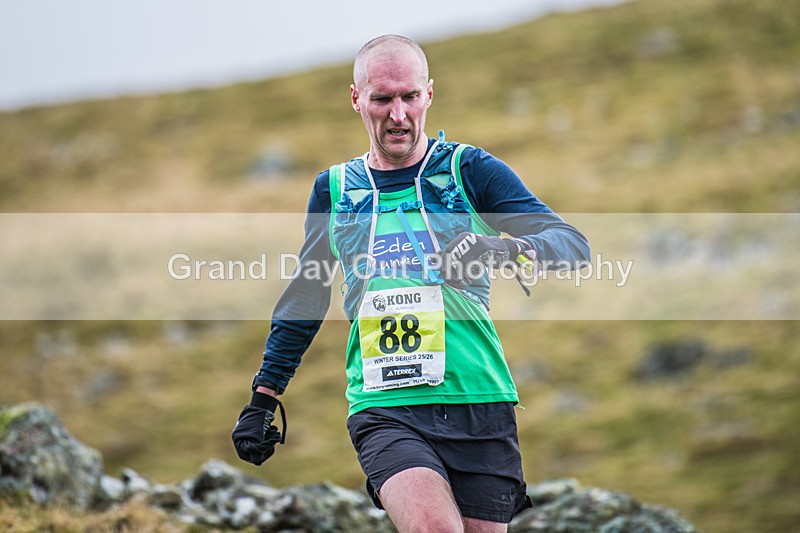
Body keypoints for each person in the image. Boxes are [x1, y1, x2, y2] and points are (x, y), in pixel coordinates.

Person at [232, 34, 590, 532]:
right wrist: (264, 397)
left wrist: (504, 248)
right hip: (385, 406)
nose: (398, 115)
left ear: (429, 95)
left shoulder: (470, 171)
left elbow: (573, 245)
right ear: (357, 99)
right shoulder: (333, 190)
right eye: (382, 99)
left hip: (479, 400)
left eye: (409, 97)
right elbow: (308, 293)